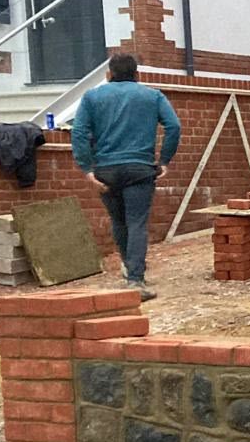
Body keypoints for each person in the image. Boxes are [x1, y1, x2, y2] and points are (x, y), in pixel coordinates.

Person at [71, 53, 181, 301]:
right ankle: (135, 279)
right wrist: (164, 160)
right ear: (137, 74)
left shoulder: (91, 97)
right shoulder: (152, 96)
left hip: (106, 170)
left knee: (118, 221)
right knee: (136, 223)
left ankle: (128, 267)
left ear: (109, 74)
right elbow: (173, 126)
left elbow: (78, 133)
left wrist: (87, 169)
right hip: (139, 169)